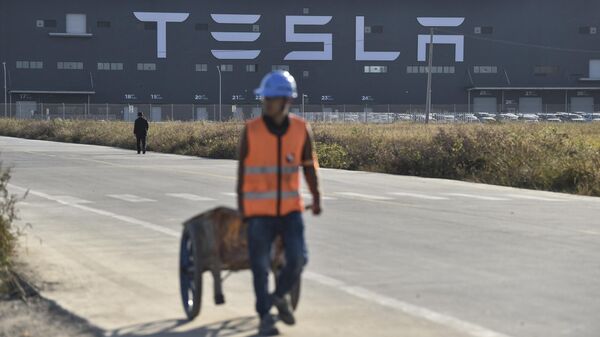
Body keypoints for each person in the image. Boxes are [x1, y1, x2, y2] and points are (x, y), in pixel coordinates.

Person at [237, 70, 322, 336]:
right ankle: (264, 315)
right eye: (264, 99)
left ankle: (279, 296)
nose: (265, 103)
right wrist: (242, 209)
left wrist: (316, 197)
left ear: (286, 101)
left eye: (270, 99)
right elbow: (241, 174)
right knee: (259, 266)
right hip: (258, 213)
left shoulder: (300, 130)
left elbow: (309, 166)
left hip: (290, 211)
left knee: (298, 258)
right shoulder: (251, 131)